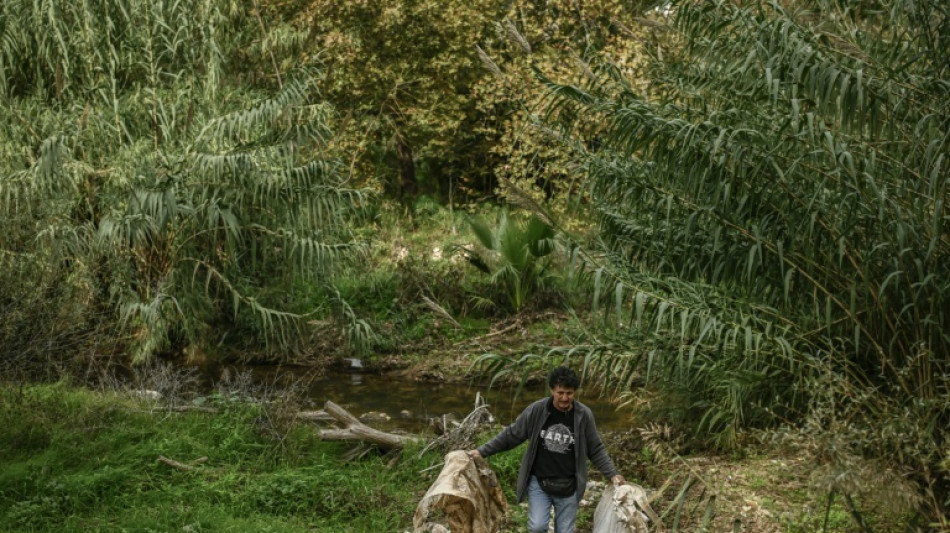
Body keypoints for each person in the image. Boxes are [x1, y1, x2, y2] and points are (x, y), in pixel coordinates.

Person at [468, 366, 625, 533]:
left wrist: (611, 474)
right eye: (560, 393)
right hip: (540, 482)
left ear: (575, 392)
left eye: (569, 393)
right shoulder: (537, 410)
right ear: (552, 390)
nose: (565, 398)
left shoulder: (583, 415)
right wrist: (482, 451)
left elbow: (595, 448)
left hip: (569, 485)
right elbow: (512, 434)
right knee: (537, 527)